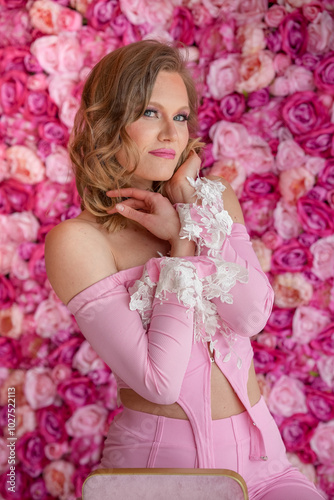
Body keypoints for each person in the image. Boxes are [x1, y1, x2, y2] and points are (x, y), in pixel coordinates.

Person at [45, 40, 325, 500]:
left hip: (267, 467)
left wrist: (192, 214)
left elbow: (251, 317)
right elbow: (160, 382)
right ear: (107, 123)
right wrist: (181, 243)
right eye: (150, 113)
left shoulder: (213, 201)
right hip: (163, 477)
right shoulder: (79, 241)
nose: (172, 134)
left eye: (179, 116)